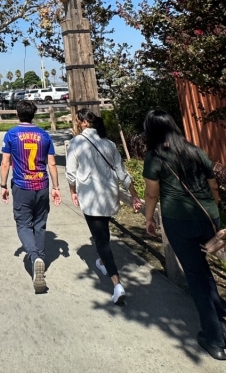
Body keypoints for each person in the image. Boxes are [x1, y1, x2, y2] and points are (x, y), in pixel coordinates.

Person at [143, 109, 226, 360]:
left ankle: (214, 338)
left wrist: (149, 218)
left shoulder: (155, 156)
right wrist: (214, 211)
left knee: (195, 276)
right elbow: (213, 185)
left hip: (178, 220)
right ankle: (222, 324)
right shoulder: (195, 151)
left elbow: (152, 193)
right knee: (203, 271)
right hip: (208, 216)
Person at [66, 109, 144, 305]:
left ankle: (117, 283)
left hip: (91, 197)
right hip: (109, 195)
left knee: (101, 240)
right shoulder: (108, 143)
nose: (75, 123)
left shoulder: (76, 143)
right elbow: (122, 172)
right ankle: (102, 262)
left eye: (77, 120)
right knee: (104, 231)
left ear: (83, 122)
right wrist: (134, 195)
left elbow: (70, 173)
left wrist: (72, 191)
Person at [0, 99, 61, 293]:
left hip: (22, 185)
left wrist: (3, 185)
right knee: (40, 224)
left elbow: (5, 162)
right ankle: (40, 258)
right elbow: (51, 163)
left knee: (24, 224)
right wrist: (56, 187)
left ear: (17, 114)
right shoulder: (44, 135)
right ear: (33, 114)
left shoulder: (11, 135)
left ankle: (35, 257)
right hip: (42, 185)